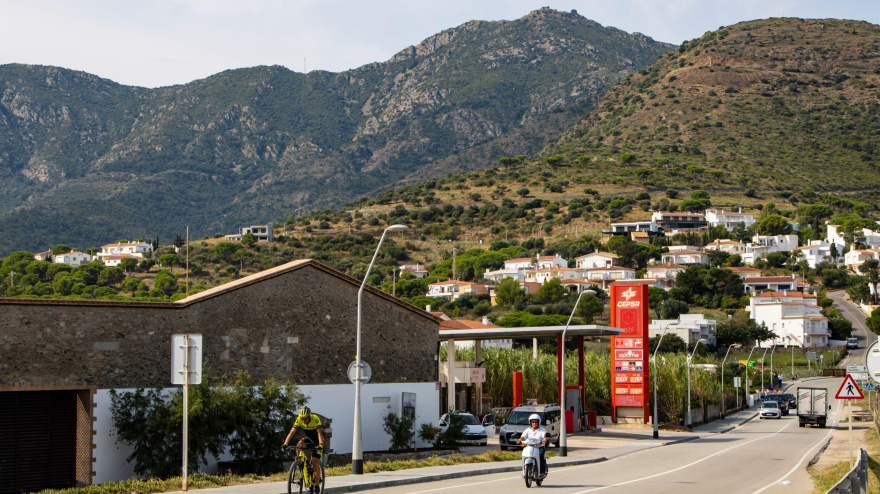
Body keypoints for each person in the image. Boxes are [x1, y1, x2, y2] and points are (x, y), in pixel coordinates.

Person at [283, 406, 325, 492]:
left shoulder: (315, 419)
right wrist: (285, 443)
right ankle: (300, 463)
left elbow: (319, 433)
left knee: (314, 461)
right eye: (302, 419)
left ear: (309, 416)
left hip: (318, 440)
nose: (303, 421)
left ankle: (317, 485)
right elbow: (291, 432)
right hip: (309, 438)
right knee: (299, 444)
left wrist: (320, 444)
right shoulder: (299, 419)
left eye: (305, 419)